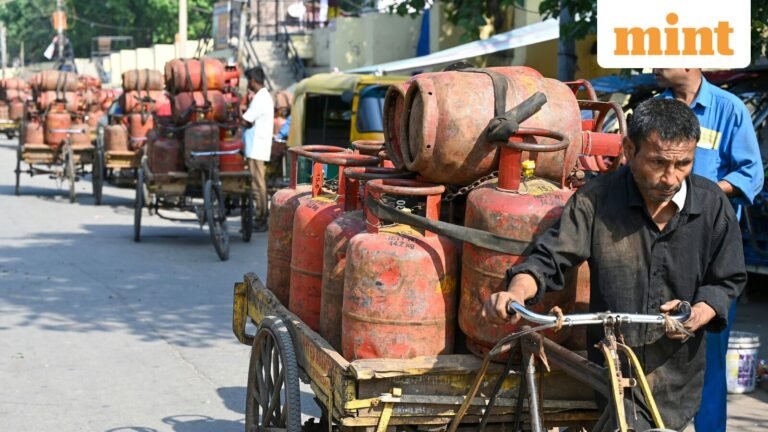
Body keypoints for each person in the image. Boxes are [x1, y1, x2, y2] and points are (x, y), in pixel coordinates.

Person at [484, 98, 746, 431]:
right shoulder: (596, 200)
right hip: (612, 371)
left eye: (683, 164)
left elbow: (727, 279)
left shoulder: (711, 205)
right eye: (658, 162)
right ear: (628, 150)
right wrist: (515, 292)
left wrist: (699, 313)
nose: (671, 178)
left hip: (677, 376)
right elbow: (550, 258)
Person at [654, 68, 764, 432]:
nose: (653, 65)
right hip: (659, 243)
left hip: (713, 249)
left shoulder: (729, 108)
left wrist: (706, 192)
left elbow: (751, 173)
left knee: (710, 357)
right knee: (654, 347)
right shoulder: (655, 109)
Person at [241, 67, 274, 229]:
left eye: (249, 81)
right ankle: (262, 214)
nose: (248, 84)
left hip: (256, 147)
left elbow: (247, 120)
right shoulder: (263, 97)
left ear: (253, 80)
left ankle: (261, 216)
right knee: (258, 181)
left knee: (257, 182)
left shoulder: (260, 98)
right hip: (257, 145)